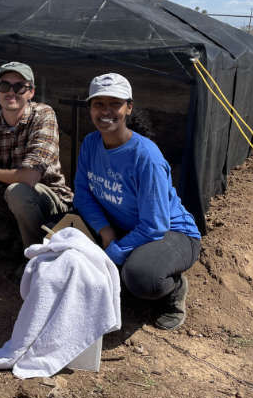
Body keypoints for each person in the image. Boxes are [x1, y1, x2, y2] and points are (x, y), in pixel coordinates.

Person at [73, 72, 201, 330]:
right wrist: (106, 233)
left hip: (170, 233)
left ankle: (173, 291)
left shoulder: (146, 157)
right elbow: (83, 193)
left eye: (114, 104)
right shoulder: (90, 143)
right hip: (122, 227)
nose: (105, 111)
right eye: (99, 104)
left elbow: (154, 225)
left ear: (128, 108)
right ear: (90, 108)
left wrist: (115, 252)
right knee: (62, 237)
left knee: (141, 277)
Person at [0, 61, 73, 253]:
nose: (11, 92)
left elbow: (29, 177)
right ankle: (15, 240)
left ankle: (34, 256)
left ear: (31, 92)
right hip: (7, 200)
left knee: (17, 191)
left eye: (19, 87)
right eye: (4, 85)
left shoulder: (43, 115)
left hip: (48, 200)